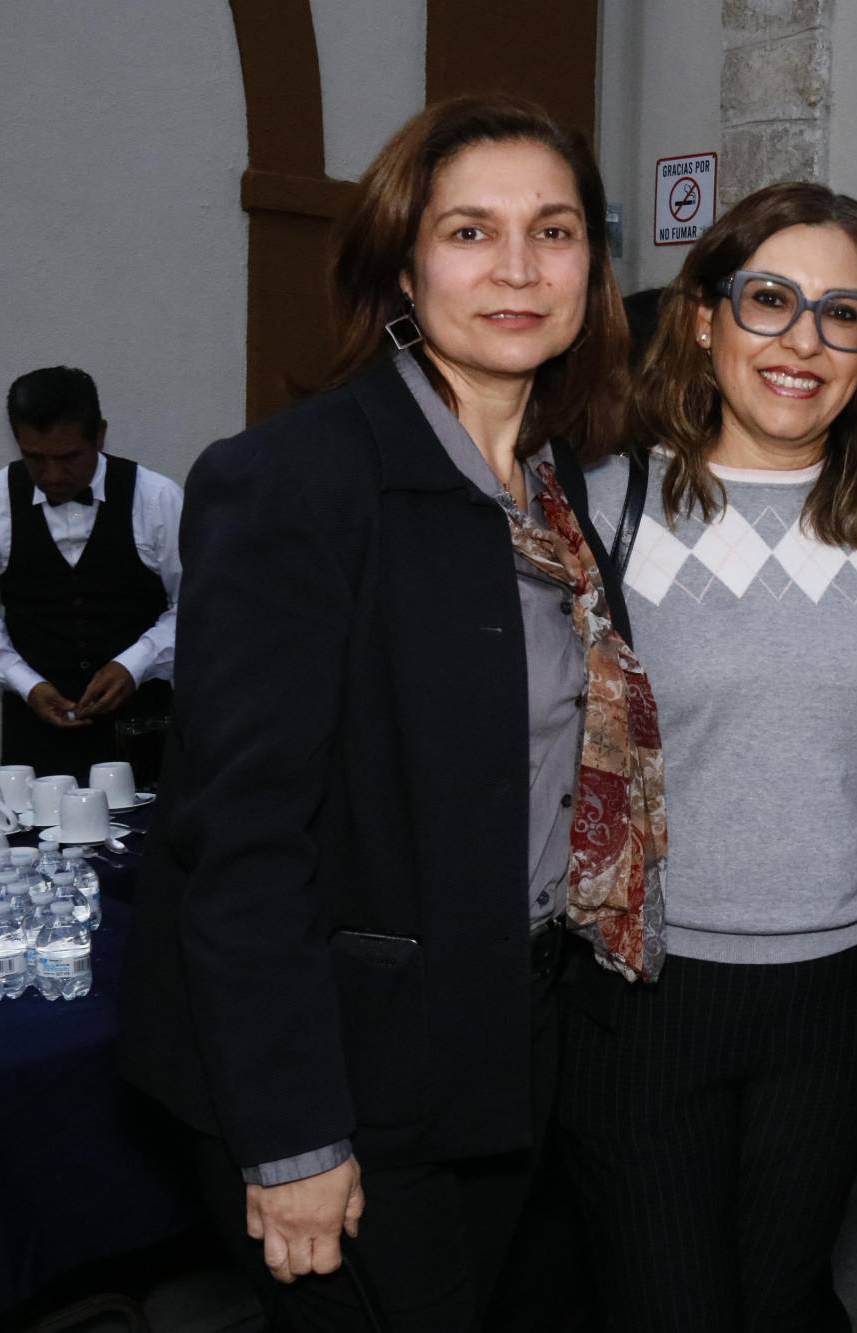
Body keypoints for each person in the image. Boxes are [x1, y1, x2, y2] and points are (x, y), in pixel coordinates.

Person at [120, 95, 636, 1332]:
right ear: (403, 263)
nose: (517, 268)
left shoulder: (560, 490)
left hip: (513, 1034)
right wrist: (293, 1138)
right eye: (471, 231)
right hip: (349, 1067)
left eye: (553, 232)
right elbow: (239, 847)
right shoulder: (292, 481)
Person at [569, 180, 857, 1332]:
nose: (801, 341)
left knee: (782, 1296)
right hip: (647, 987)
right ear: (701, 318)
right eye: (768, 299)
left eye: (843, 313)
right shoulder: (600, 505)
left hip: (843, 984)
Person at [0, 366, 181, 782]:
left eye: (68, 457)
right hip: (35, 742)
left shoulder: (156, 498)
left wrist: (135, 663)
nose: (53, 476)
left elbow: (197, 604)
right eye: (34, 459)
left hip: (145, 733)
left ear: (100, 435)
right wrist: (25, 682)